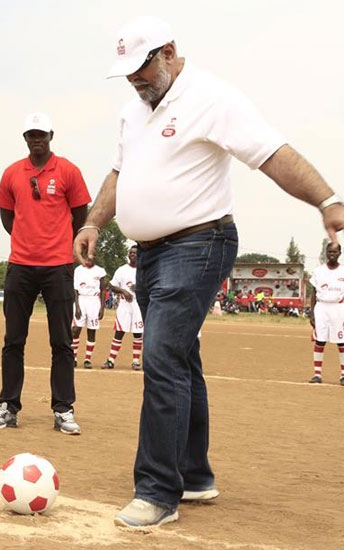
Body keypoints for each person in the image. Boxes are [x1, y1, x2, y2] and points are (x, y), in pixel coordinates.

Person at [74, 16, 344, 528]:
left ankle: (157, 491)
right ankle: (195, 476)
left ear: (169, 52)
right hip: (149, 252)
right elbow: (118, 171)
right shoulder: (134, 112)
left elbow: (273, 154)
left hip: (200, 243)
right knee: (180, 359)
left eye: (143, 67)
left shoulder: (213, 98)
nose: (135, 79)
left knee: (161, 358)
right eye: (127, 71)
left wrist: (327, 200)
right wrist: (93, 221)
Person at [0, 112, 91, 435]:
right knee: (13, 340)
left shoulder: (69, 171)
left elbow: (79, 214)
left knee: (61, 341)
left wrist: (58, 244)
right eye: (31, 135)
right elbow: (6, 215)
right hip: (20, 266)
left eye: (41, 134)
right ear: (25, 138)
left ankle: (63, 409)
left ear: (51, 136)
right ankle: (8, 405)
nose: (36, 139)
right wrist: (25, 239)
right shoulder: (12, 173)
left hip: (58, 266)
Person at [308, 242, 344, 385]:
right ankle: (317, 374)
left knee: (341, 342)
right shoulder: (319, 271)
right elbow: (313, 292)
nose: (332, 254)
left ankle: (343, 375)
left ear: (340, 254)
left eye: (335, 252)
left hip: (338, 308)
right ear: (326, 253)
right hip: (321, 308)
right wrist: (312, 313)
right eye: (329, 252)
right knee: (320, 340)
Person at [103, 245, 144, 370]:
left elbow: (151, 285)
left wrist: (140, 287)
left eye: (135, 253)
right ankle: (110, 360)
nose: (132, 254)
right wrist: (123, 291)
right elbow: (111, 286)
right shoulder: (122, 270)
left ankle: (136, 361)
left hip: (139, 304)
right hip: (125, 305)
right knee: (119, 332)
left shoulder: (144, 270)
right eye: (131, 252)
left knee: (138, 333)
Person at [71, 263, 107, 369]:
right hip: (81, 299)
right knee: (76, 329)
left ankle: (88, 359)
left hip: (94, 301)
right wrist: (77, 306)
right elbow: (75, 289)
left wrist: (102, 307)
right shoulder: (78, 270)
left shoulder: (100, 270)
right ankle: (74, 358)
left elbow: (103, 290)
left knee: (92, 330)